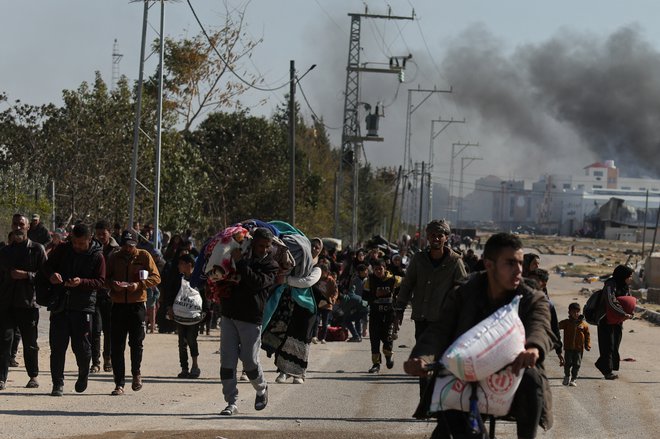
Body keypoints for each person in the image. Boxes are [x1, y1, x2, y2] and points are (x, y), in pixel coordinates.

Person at [404, 233, 556, 439]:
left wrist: (533, 349)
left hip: (514, 371)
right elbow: (440, 330)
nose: (519, 270)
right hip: (466, 369)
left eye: (520, 263)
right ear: (489, 264)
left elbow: (540, 327)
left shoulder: (531, 296)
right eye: (510, 263)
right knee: (447, 426)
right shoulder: (464, 291)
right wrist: (421, 357)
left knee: (532, 379)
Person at [395, 220, 467, 391]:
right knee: (423, 361)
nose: (436, 239)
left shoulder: (455, 262)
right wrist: (399, 308)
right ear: (427, 237)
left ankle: (440, 401)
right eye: (432, 235)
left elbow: (464, 290)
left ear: (446, 238)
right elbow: (407, 284)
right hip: (422, 319)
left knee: (443, 363)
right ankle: (425, 402)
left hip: (444, 321)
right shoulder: (419, 259)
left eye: (439, 235)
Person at [219, 227, 278, 416]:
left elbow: (257, 282)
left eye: (266, 246)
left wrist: (241, 263)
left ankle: (261, 388)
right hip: (229, 315)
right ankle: (231, 402)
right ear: (253, 243)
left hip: (251, 319)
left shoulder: (271, 266)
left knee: (250, 362)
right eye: (260, 245)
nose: (263, 249)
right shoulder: (239, 253)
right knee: (227, 363)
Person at [42, 223, 105, 396]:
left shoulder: (97, 256)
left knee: (82, 349)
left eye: (81, 243)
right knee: (57, 347)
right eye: (74, 243)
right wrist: (52, 276)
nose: (77, 246)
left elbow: (100, 282)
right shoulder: (62, 250)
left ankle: (83, 375)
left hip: (83, 308)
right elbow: (47, 267)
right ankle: (57, 384)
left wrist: (82, 282)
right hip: (61, 306)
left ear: (89, 239)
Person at [106, 230, 161, 396]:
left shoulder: (144, 256)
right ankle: (119, 383)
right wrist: (113, 285)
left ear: (136, 244)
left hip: (137, 306)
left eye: (130, 245)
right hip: (118, 305)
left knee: (136, 343)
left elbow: (156, 277)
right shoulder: (114, 257)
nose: (127, 248)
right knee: (117, 346)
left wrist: (139, 285)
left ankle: (136, 373)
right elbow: (105, 279)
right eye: (125, 245)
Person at [0, 219, 47, 391]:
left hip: (28, 304)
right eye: (15, 224)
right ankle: (1, 378)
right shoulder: (4, 252)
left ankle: (33, 376)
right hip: (6, 304)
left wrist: (27, 275)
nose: (18, 227)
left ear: (28, 227)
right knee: (4, 341)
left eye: (21, 224)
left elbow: (45, 276)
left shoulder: (37, 249)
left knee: (30, 343)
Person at [165, 253, 202, 379]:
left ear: (189, 265)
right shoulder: (177, 279)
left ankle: (195, 366)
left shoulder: (198, 279)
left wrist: (205, 312)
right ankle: (184, 368)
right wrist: (170, 308)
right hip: (180, 316)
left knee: (192, 340)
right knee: (182, 342)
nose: (179, 266)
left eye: (181, 264)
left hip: (194, 317)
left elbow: (204, 296)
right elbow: (171, 293)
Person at [595, 264, 634, 380]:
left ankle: (603, 365)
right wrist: (622, 313)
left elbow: (628, 300)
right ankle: (607, 371)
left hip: (617, 320)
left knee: (615, 344)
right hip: (605, 319)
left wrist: (630, 313)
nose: (631, 278)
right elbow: (611, 301)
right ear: (623, 276)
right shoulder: (610, 284)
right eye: (630, 276)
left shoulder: (625, 286)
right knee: (607, 344)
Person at [363, 259, 401, 373]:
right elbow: (364, 296)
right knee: (374, 339)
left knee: (387, 337)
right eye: (376, 269)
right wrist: (374, 297)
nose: (378, 271)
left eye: (380, 269)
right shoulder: (369, 281)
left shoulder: (394, 279)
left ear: (385, 269)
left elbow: (407, 285)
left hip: (389, 315)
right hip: (375, 314)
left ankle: (389, 355)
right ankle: (376, 364)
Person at [92, 220, 120, 373]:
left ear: (109, 232)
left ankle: (107, 358)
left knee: (109, 329)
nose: (101, 237)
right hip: (94, 294)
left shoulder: (117, 250)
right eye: (98, 234)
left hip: (110, 295)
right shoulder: (92, 248)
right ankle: (95, 361)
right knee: (95, 330)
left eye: (104, 233)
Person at [558, 302, 591, 386]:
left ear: (580, 312)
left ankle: (574, 379)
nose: (576, 314)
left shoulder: (584, 325)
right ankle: (567, 376)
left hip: (579, 348)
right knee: (567, 363)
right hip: (568, 347)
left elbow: (587, 335)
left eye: (577, 312)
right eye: (573, 312)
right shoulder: (566, 323)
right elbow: (556, 326)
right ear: (569, 312)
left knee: (577, 364)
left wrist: (587, 345)